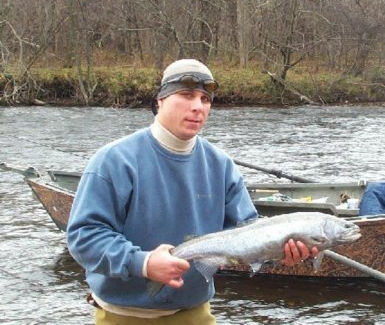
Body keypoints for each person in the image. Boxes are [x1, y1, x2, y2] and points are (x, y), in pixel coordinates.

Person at [67, 59, 317, 324]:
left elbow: (248, 232)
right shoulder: (114, 160)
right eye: (186, 95)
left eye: (205, 99)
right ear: (160, 100)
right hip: (122, 315)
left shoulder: (221, 166)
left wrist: (279, 253)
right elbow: (84, 236)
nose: (197, 106)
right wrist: (143, 263)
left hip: (195, 313)